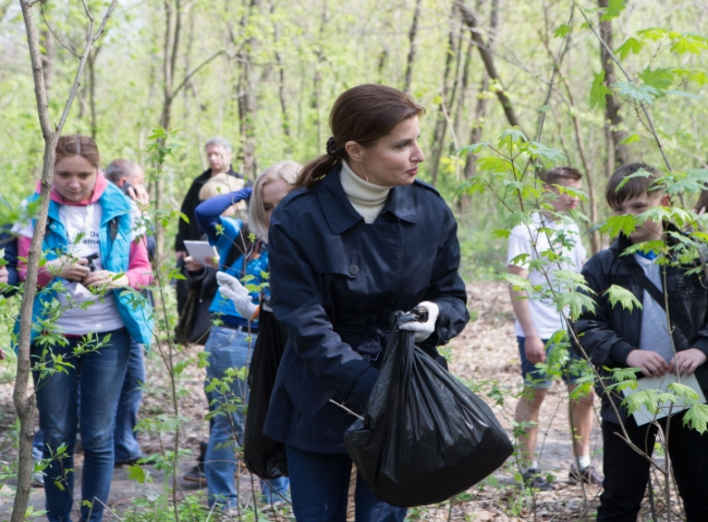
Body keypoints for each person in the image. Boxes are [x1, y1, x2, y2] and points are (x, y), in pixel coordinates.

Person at [262, 84, 469, 522]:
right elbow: (303, 321)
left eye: (417, 140)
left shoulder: (431, 210)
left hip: (405, 390)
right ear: (356, 149)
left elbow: (452, 295)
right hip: (318, 395)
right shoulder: (298, 216)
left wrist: (435, 316)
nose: (418, 154)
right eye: (402, 145)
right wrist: (369, 387)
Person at [14, 135, 154, 522]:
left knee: (97, 435)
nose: (73, 183)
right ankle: (58, 517)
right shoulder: (35, 208)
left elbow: (144, 271)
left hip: (108, 335)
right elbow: (24, 272)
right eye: (64, 174)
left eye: (83, 175)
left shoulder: (122, 207)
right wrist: (51, 270)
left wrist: (118, 278)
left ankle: (93, 518)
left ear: (98, 171)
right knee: (56, 435)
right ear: (50, 171)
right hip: (51, 335)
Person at [575, 162, 708, 521]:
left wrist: (701, 348)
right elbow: (583, 326)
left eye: (638, 207)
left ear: (663, 201)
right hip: (628, 393)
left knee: (702, 491)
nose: (628, 218)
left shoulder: (696, 256)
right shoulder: (601, 267)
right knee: (620, 497)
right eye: (619, 210)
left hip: (693, 391)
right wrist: (627, 353)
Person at [196, 161, 299, 508]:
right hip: (233, 335)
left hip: (278, 337)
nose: (273, 214)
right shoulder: (240, 234)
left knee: (277, 417)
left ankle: (277, 499)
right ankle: (222, 503)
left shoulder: (304, 240)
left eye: (282, 204)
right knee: (230, 423)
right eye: (267, 207)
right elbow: (203, 211)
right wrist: (250, 189)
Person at [507, 166, 601, 490]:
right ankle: (529, 468)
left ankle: (582, 465)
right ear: (548, 191)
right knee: (536, 394)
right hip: (538, 330)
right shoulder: (526, 229)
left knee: (585, 394)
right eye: (567, 191)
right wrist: (530, 334)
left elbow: (578, 281)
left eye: (578, 191)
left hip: (572, 330)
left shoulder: (572, 229)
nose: (575, 198)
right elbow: (516, 285)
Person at [105, 158, 155, 466]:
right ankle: (115, 443)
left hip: (130, 312)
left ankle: (122, 444)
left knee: (133, 379)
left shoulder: (131, 213)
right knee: (127, 379)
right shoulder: (112, 212)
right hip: (112, 311)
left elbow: (145, 260)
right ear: (126, 182)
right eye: (141, 181)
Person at [174, 137, 244, 316]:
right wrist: (180, 244)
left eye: (217, 154)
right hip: (200, 241)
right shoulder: (199, 182)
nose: (213, 158)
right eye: (209, 154)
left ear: (229, 155)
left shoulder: (240, 183)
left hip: (228, 245)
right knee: (189, 284)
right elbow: (186, 214)